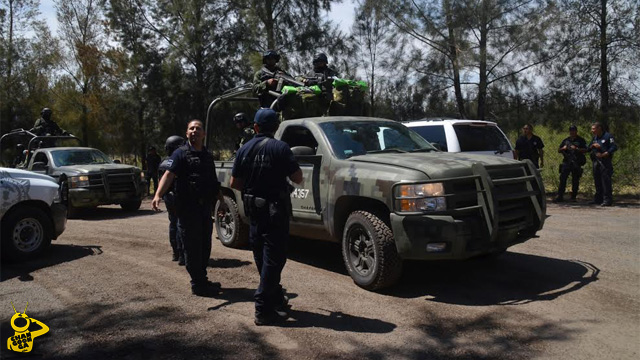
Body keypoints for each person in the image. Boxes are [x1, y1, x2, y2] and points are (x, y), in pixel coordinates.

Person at [230, 108, 303, 325]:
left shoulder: (244, 149)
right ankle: (263, 308)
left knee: (261, 255)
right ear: (276, 127)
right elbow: (298, 178)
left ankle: (276, 298)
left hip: (254, 210)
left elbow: (234, 183)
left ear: (255, 127)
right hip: (275, 211)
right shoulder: (281, 148)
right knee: (274, 258)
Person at [152, 120, 223, 297]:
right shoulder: (180, 154)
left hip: (204, 208)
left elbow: (213, 182)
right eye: (191, 128)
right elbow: (169, 174)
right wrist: (158, 195)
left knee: (205, 245)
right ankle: (197, 284)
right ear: (186, 133)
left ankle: (202, 279)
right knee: (192, 247)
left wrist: (221, 203)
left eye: (198, 129)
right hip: (188, 208)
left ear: (203, 134)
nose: (194, 131)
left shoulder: (207, 155)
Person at [159, 135, 185, 265]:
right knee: (181, 225)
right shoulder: (178, 161)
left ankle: (175, 253)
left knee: (173, 224)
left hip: (168, 197)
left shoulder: (164, 163)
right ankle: (181, 254)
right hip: (177, 197)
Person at [554, 125, 587, 203]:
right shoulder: (566, 140)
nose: (572, 132)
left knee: (575, 180)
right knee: (562, 179)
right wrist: (563, 148)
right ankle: (560, 196)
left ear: (576, 131)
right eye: (571, 131)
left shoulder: (581, 140)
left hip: (576, 162)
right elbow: (559, 150)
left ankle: (573, 197)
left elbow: (586, 149)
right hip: (566, 162)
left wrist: (577, 149)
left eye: (574, 130)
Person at [588, 122, 617, 206]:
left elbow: (614, 147)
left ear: (599, 128)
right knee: (597, 181)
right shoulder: (595, 138)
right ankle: (598, 199)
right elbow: (588, 148)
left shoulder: (608, 136)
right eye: (592, 129)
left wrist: (603, 151)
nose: (592, 130)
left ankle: (607, 200)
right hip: (596, 161)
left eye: (594, 129)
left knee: (605, 181)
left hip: (605, 162)